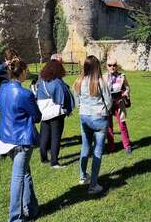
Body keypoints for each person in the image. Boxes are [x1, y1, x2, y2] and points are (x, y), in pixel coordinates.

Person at [0, 58, 41, 222]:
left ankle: (31, 208)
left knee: (24, 172)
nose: (27, 73)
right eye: (26, 71)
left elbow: (0, 107)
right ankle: (15, 219)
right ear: (21, 72)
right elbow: (37, 117)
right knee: (19, 177)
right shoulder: (25, 94)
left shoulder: (3, 89)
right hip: (20, 140)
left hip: (5, 138)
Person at [73, 55, 112, 194]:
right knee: (97, 150)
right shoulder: (100, 82)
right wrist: (105, 112)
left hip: (85, 117)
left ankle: (83, 176)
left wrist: (83, 110)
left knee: (85, 147)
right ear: (97, 67)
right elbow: (109, 101)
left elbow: (76, 100)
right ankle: (93, 184)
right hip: (99, 118)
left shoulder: (79, 81)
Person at [36, 60, 74, 168]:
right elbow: (64, 97)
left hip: (43, 113)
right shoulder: (57, 82)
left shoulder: (42, 82)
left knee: (44, 137)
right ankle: (54, 162)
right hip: (56, 114)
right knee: (55, 138)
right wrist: (67, 109)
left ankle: (43, 159)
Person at [105, 58, 132, 155]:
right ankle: (111, 146)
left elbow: (127, 88)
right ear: (106, 66)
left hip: (119, 103)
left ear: (117, 66)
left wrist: (125, 93)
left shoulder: (122, 76)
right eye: (110, 65)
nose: (112, 67)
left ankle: (127, 145)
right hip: (107, 104)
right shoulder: (103, 77)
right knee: (108, 126)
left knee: (122, 125)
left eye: (114, 65)